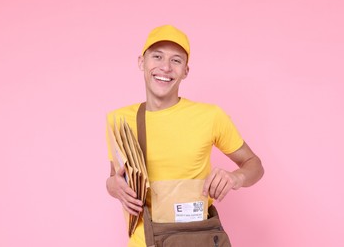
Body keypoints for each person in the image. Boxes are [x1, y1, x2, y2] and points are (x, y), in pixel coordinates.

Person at [106, 25, 264, 247]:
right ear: (142, 62)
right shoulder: (119, 120)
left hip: (197, 238)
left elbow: (254, 164)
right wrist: (112, 186)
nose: (165, 67)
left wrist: (235, 178)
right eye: (157, 56)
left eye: (176, 60)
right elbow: (116, 177)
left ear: (186, 71)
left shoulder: (210, 116)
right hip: (145, 241)